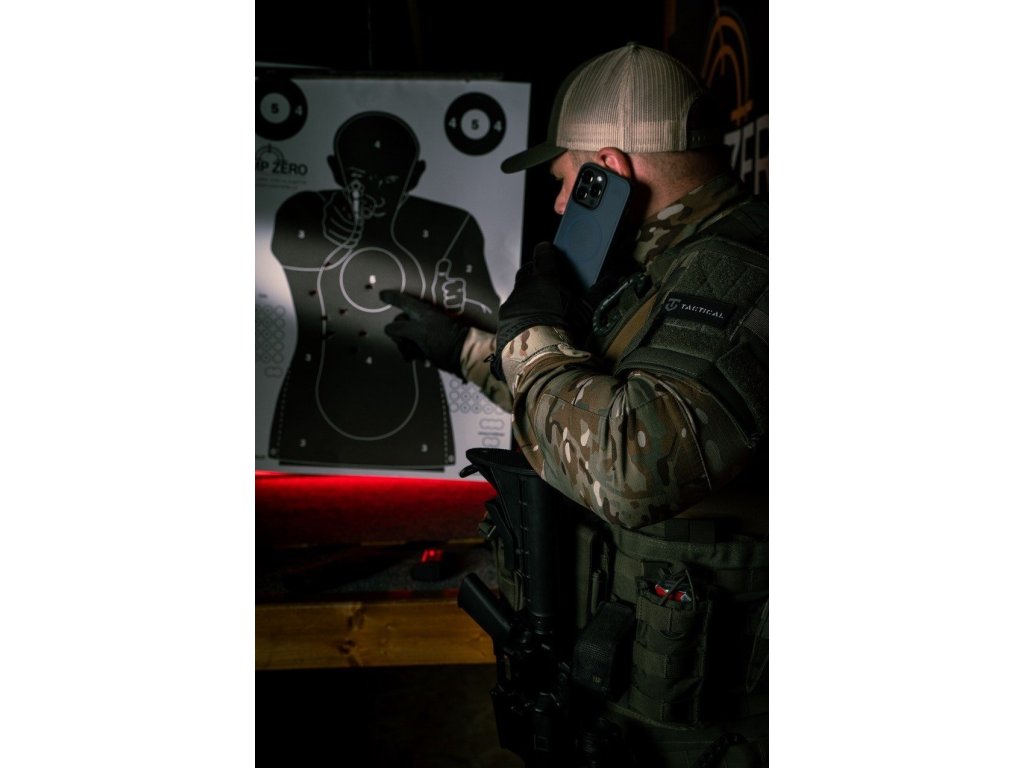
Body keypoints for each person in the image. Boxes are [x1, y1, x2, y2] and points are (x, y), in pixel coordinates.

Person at [383, 43, 767, 767]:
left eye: (565, 182)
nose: (560, 205)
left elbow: (626, 467)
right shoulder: (664, 264)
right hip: (630, 684)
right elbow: (578, 410)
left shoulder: (739, 271)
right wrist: (462, 348)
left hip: (705, 726)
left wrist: (531, 333)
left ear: (607, 170)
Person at [268, 111, 500, 470]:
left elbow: (491, 318)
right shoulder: (306, 213)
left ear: (414, 175)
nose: (373, 192)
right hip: (316, 404)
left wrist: (462, 308)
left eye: (388, 180)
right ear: (335, 170)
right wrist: (322, 234)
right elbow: (287, 240)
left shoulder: (452, 226)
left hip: (412, 410)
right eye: (360, 179)